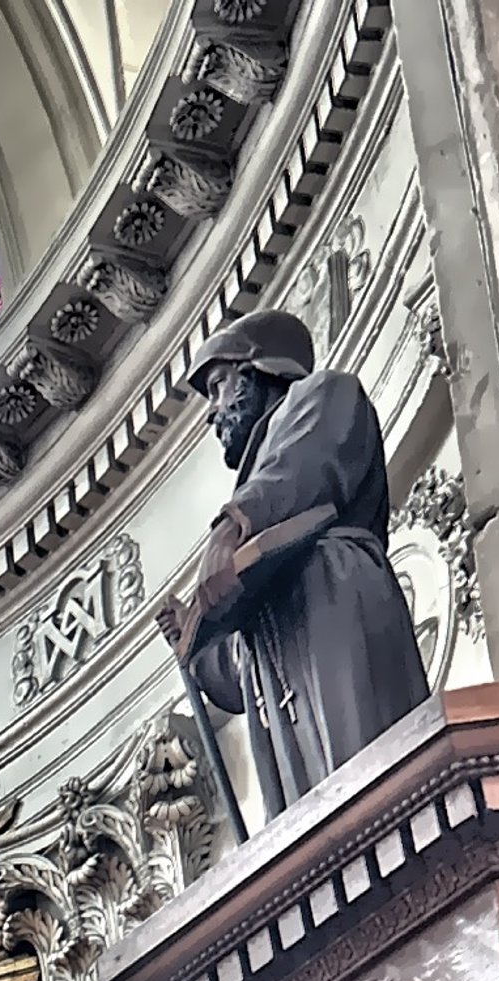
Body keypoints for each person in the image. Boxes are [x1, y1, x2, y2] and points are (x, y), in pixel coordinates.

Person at [155, 310, 430, 820]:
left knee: (370, 784)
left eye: (218, 386)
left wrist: (233, 525)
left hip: (332, 590)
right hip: (281, 635)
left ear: (262, 369)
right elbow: (243, 679)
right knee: (309, 818)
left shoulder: (323, 395)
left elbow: (303, 471)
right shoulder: (256, 487)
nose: (211, 413)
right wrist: (196, 647)